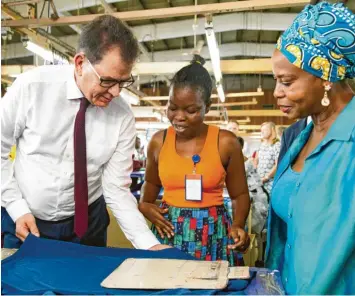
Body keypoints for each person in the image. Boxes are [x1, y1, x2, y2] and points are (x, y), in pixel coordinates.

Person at [1, 15, 167, 251]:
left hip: (88, 224)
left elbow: (116, 188)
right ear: (80, 64)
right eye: (108, 81)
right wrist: (16, 206)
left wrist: (149, 245)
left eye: (124, 81)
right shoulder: (31, 88)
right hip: (26, 220)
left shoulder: (122, 116)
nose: (117, 92)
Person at [266, 2, 355, 294]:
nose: (277, 92)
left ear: (325, 77)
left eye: (287, 82)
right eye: (276, 81)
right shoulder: (299, 137)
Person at [139, 55, 250, 265]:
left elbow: (240, 194)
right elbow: (151, 183)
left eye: (190, 110)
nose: (179, 117)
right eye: (172, 107)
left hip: (213, 233)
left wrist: (238, 224)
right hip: (169, 230)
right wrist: (145, 205)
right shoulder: (158, 142)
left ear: (207, 107)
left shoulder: (225, 142)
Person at [256, 122, 281, 194]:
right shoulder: (261, 145)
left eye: (265, 130)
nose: (262, 132)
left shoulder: (277, 145)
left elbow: (278, 165)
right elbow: (256, 162)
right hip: (259, 183)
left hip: (270, 183)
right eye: (261, 130)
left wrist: (266, 178)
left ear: (272, 130)